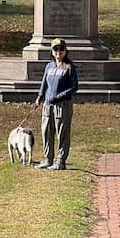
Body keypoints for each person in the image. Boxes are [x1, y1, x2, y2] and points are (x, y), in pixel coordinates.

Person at [34, 38, 79, 170]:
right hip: (48, 105)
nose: (58, 52)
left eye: (61, 49)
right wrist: (40, 97)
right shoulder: (49, 66)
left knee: (62, 133)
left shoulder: (69, 67)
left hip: (62, 106)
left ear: (65, 51)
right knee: (46, 131)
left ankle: (61, 161)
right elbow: (44, 83)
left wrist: (58, 97)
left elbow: (74, 87)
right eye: (56, 49)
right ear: (52, 52)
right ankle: (48, 159)